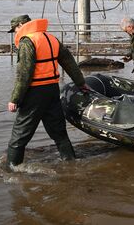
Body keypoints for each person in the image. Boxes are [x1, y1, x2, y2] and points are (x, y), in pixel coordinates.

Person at [6, 14, 88, 168]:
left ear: (20, 26)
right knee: (59, 132)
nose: (15, 34)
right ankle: (71, 164)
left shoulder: (27, 41)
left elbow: (24, 74)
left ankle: (10, 169)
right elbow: (69, 63)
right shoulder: (51, 38)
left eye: (15, 30)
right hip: (52, 91)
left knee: (19, 135)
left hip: (34, 93)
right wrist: (81, 83)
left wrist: (15, 99)